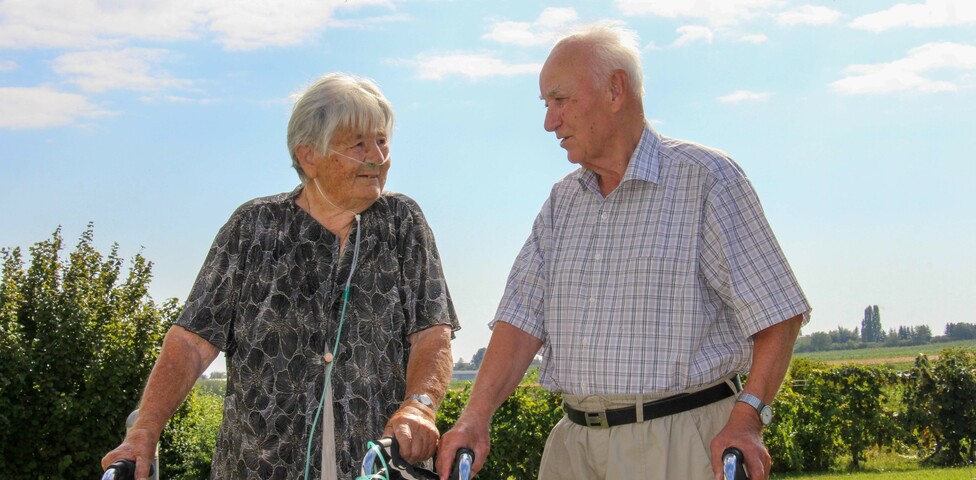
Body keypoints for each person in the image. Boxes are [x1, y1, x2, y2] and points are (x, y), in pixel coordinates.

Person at [436, 23, 810, 480]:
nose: (549, 122)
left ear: (615, 89)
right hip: (574, 449)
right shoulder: (563, 202)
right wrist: (475, 417)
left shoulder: (706, 179)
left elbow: (778, 314)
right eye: (546, 105)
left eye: (560, 100)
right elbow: (519, 320)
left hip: (680, 446)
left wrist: (748, 417)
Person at [102, 73, 459, 480]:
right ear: (309, 155)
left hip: (377, 466)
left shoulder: (402, 223)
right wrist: (145, 431)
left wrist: (419, 405)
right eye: (358, 144)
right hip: (260, 467)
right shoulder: (253, 228)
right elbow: (191, 343)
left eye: (381, 140)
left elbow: (432, 332)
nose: (377, 156)